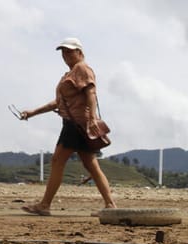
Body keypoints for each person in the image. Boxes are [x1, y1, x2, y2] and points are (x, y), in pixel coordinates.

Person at [17, 37, 116, 215]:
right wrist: (32, 112)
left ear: (79, 52)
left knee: (57, 160)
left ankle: (45, 205)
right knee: (91, 165)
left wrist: (92, 119)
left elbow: (91, 93)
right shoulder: (70, 74)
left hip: (76, 124)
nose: (66, 54)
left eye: (69, 51)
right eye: (63, 51)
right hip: (77, 124)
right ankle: (110, 205)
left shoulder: (82, 68)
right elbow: (58, 103)